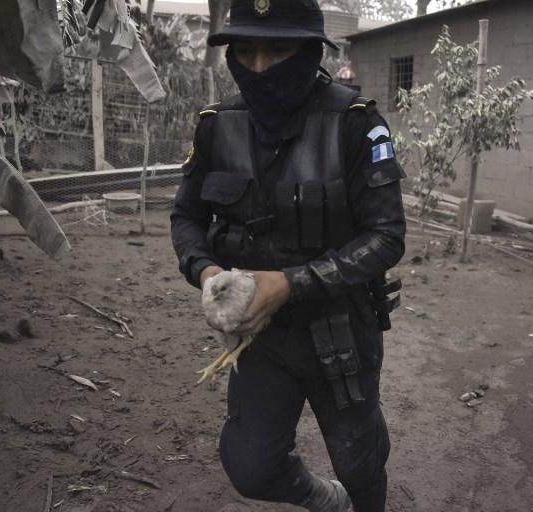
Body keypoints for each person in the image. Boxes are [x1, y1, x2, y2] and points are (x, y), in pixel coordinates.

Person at [170, 1, 406, 510]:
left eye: (277, 50)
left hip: (341, 331)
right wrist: (207, 271)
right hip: (261, 337)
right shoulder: (217, 125)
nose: (258, 66)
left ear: (309, 50)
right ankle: (326, 500)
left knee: (359, 461)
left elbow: (386, 236)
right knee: (250, 467)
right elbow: (186, 218)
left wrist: (288, 283)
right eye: (246, 50)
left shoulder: (356, 125)